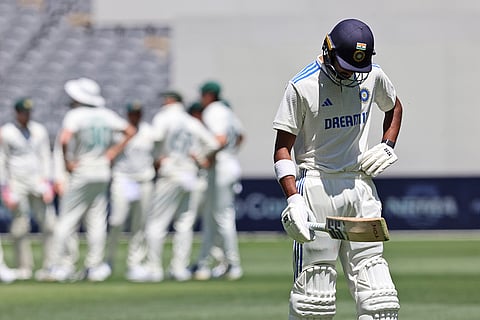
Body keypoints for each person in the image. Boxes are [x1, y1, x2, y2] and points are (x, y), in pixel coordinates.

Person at [272, 19, 402, 320]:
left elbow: (394, 106)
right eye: (344, 66)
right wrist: (294, 199)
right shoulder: (301, 85)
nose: (350, 74)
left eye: (357, 69)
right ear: (327, 50)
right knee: (314, 300)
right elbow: (282, 149)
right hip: (317, 185)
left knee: (379, 298)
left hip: (360, 184)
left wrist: (387, 144)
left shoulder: (373, 75)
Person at [44, 77, 136, 282]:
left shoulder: (75, 115)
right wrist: (111, 152)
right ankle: (94, 266)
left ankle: (59, 266)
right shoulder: (106, 114)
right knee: (96, 220)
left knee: (67, 219)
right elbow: (130, 131)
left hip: (83, 169)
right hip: (102, 170)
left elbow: (65, 139)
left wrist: (68, 162)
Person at [130, 91, 219, 282]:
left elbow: (153, 138)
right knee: (184, 224)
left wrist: (157, 158)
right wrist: (200, 157)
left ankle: (154, 269)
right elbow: (212, 143)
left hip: (171, 172)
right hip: (189, 174)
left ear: (170, 101)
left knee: (156, 223)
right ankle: (179, 268)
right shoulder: (191, 121)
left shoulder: (164, 117)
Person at [193, 81, 245, 281]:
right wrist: (230, 154)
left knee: (222, 217)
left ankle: (233, 264)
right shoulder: (226, 110)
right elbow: (240, 136)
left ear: (207, 96)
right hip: (230, 164)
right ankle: (210, 262)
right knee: (214, 216)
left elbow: (220, 139)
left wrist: (203, 157)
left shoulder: (212, 111)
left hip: (221, 167)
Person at [0, 98, 56, 280]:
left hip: (37, 181)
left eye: (28, 112)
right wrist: (5, 187)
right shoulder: (7, 132)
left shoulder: (38, 130)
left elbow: (45, 156)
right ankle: (24, 267)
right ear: (17, 113)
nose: (26, 116)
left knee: (48, 223)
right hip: (17, 182)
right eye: (23, 112)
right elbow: (2, 159)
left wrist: (48, 182)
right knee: (20, 226)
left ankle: (50, 265)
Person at [105, 101, 156, 279]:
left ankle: (134, 263)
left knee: (140, 224)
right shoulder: (118, 133)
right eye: (132, 113)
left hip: (144, 180)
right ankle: (108, 260)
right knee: (117, 220)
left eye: (138, 113)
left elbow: (156, 155)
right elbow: (109, 154)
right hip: (123, 179)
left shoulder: (149, 132)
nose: (135, 116)